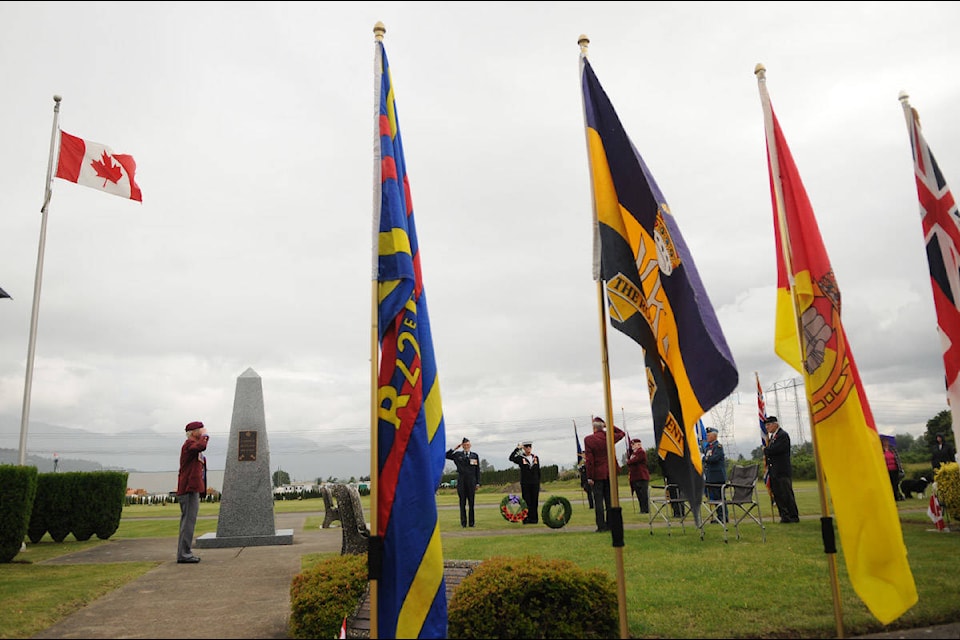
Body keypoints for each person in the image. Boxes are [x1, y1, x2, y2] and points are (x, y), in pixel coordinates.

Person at [583, 415, 626, 532]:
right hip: (610, 472)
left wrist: (590, 476)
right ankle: (610, 524)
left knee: (598, 502)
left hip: (597, 474)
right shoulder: (609, 436)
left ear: (594, 428)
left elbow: (590, 460)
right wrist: (609, 426)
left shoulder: (589, 439)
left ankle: (601, 526)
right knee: (609, 501)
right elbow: (622, 433)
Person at [177, 420, 209, 563]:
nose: (203, 431)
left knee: (190, 522)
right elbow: (202, 446)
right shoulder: (189, 444)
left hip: (193, 489)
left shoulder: (193, 447)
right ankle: (184, 554)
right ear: (194, 432)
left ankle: (185, 552)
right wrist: (205, 436)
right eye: (200, 429)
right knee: (187, 523)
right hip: (188, 490)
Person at [762, 415, 800, 523]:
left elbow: (775, 450)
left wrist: (766, 449)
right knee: (778, 495)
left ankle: (793, 516)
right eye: (766, 425)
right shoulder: (772, 438)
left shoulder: (782, 435)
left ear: (775, 424)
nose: (767, 427)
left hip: (782, 471)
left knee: (786, 494)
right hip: (773, 471)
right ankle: (784, 516)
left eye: (769, 425)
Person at [446, 437, 481, 527]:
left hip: (471, 481)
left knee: (471, 503)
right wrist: (455, 448)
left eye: (468, 444)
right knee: (462, 503)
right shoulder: (458, 455)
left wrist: (478, 482)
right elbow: (446, 455)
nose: (466, 446)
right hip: (462, 480)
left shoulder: (474, 455)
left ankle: (472, 523)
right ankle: (463, 522)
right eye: (465, 445)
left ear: (470, 445)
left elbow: (477, 470)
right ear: (462, 446)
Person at [509, 440, 541, 524]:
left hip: (535, 483)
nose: (528, 449)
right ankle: (526, 518)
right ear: (524, 448)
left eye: (530, 447)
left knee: (534, 501)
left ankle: (534, 519)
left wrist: (538, 481)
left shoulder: (535, 457)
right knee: (526, 501)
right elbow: (511, 458)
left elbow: (538, 470)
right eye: (526, 447)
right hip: (525, 483)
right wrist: (517, 449)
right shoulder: (521, 458)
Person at [702, 427, 727, 522]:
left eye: (708, 435)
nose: (707, 437)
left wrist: (704, 458)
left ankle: (724, 517)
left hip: (717, 477)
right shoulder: (708, 447)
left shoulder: (718, 447)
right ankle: (720, 516)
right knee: (715, 498)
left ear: (714, 435)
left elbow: (714, 459)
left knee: (720, 498)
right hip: (710, 476)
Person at [626, 438, 650, 514]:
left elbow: (634, 461)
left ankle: (646, 509)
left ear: (638, 444)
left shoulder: (641, 452)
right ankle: (642, 509)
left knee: (643, 494)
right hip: (635, 477)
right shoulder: (633, 453)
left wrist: (629, 461)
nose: (632, 446)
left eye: (633, 444)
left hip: (641, 476)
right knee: (639, 495)